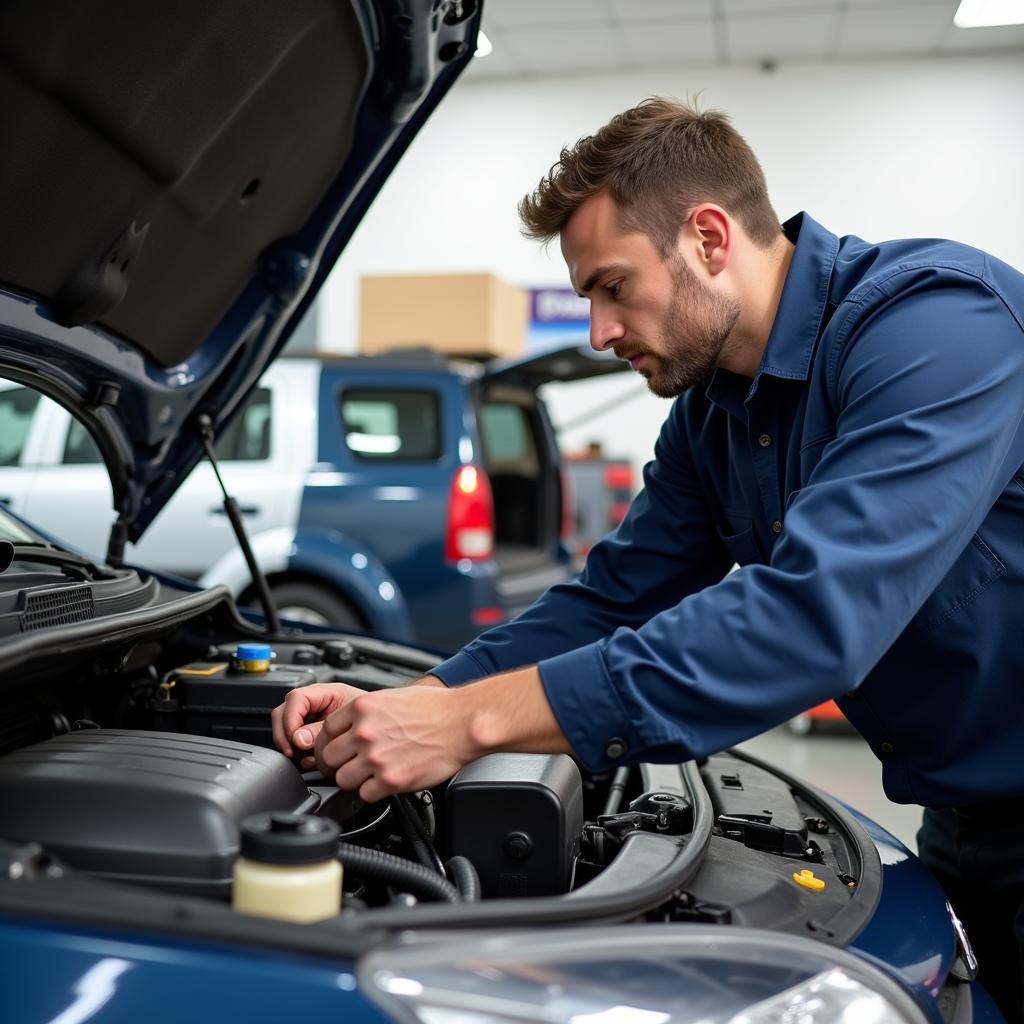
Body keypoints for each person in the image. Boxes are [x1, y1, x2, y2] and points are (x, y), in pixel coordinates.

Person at [271, 99, 1024, 1018]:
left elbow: (814, 621)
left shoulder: (937, 329)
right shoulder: (713, 419)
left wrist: (472, 724)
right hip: (964, 820)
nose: (596, 330)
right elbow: (608, 600)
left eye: (613, 286)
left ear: (709, 236)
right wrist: (421, 702)